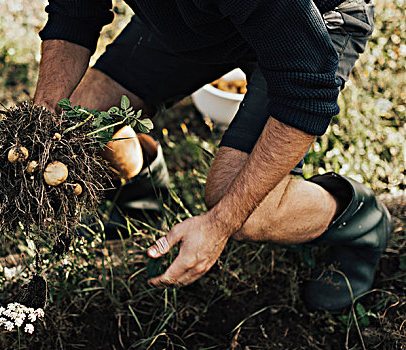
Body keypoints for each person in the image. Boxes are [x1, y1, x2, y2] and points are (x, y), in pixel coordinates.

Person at [34, 0, 392, 311]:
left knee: (244, 210)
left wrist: (221, 223)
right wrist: (43, 117)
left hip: (312, 24)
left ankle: (362, 220)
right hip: (201, 19)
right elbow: (75, 11)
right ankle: (141, 191)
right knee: (75, 127)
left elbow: (307, 88)